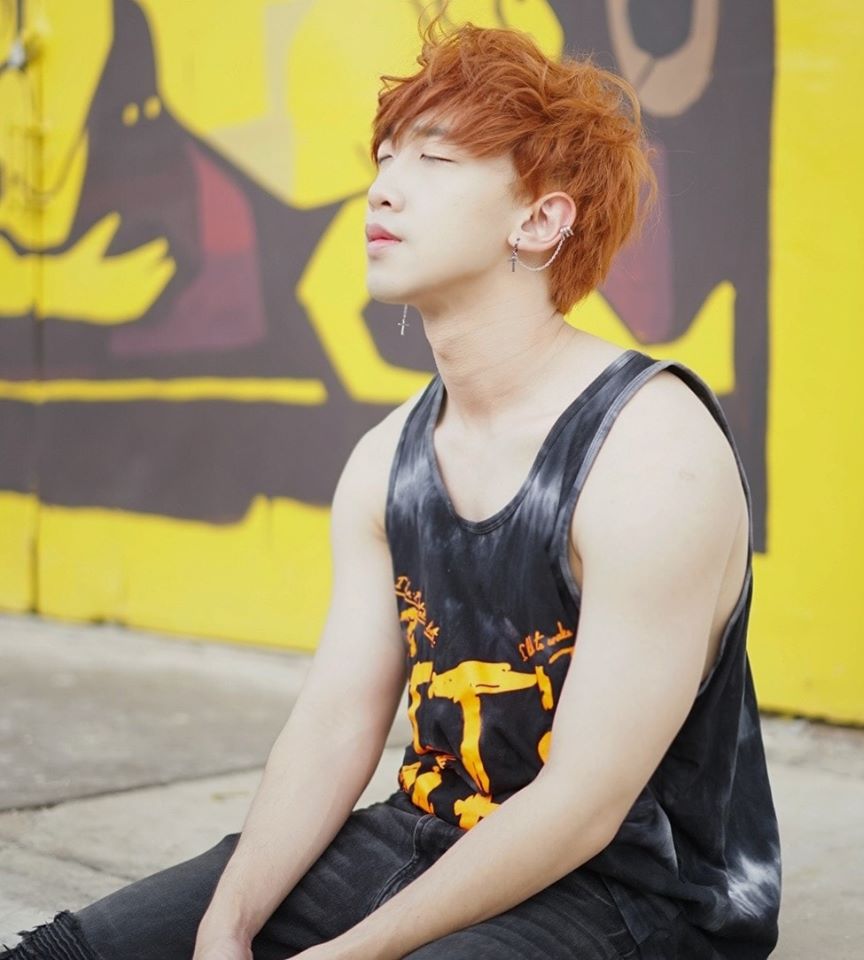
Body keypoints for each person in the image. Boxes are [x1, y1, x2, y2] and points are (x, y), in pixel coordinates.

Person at [1, 8, 781, 960]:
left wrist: (350, 952)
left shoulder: (652, 451)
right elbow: (337, 721)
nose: (382, 187)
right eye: (383, 158)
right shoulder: (389, 458)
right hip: (423, 834)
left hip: (631, 891)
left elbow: (584, 804)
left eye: (434, 161)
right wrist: (226, 926)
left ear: (539, 220)